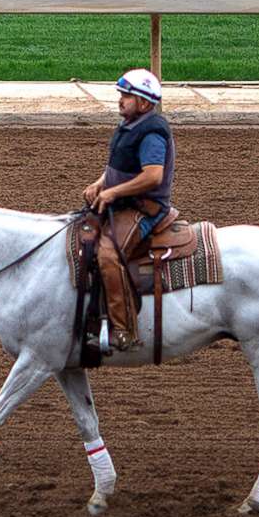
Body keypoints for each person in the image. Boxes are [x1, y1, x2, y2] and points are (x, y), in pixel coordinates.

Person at [78, 68, 172, 351]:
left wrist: (113, 192)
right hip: (122, 203)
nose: (120, 100)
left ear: (144, 103)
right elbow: (120, 169)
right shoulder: (130, 126)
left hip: (145, 209)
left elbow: (153, 176)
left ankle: (124, 329)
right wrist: (100, 184)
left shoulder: (152, 132)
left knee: (108, 253)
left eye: (127, 96)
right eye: (121, 94)